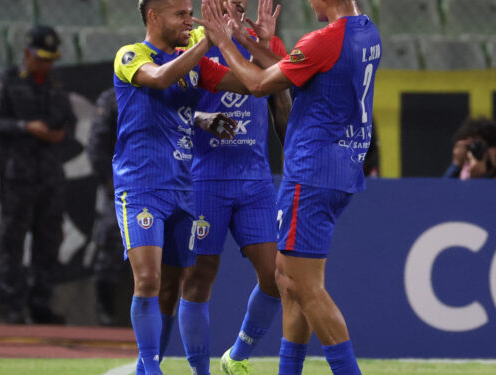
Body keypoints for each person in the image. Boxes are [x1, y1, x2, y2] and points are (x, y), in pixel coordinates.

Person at [197, 0, 380, 373]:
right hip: (342, 167)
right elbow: (299, 66)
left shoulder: (324, 40)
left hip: (311, 172)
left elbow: (258, 83)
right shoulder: (367, 31)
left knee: (305, 286)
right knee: (287, 279)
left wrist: (223, 41)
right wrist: (248, 41)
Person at [112, 1, 252, 373]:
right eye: (181, 14)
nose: (189, 20)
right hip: (140, 186)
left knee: (172, 290)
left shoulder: (193, 62)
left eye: (191, 13)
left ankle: (147, 368)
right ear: (153, 16)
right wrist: (207, 41)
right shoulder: (131, 55)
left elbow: (249, 83)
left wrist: (239, 41)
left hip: (181, 189)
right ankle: (152, 369)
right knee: (148, 279)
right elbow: (158, 80)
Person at [177, 1, 290, 375]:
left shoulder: (264, 43)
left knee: (278, 278)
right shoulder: (193, 41)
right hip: (205, 178)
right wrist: (204, 118)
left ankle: (237, 355)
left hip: (255, 180)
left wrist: (295, 159)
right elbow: (169, 106)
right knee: (199, 277)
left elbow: (281, 106)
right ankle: (199, 371)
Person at [0, 25, 76, 325]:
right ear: (27, 53)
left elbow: (68, 123)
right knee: (12, 240)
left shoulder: (56, 86)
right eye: (41, 58)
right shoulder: (8, 82)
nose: (47, 64)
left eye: (51, 59)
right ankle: (13, 306)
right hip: (17, 175)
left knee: (48, 240)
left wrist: (57, 133)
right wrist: (26, 128)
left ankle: (40, 304)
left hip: (49, 174)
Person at [87, 88, 128, 326]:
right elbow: (96, 146)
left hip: (159, 182)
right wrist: (112, 182)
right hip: (120, 187)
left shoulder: (166, 87)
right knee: (110, 243)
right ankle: (106, 313)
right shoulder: (113, 97)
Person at [442, 117, 496, 181]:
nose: (482, 152)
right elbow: (440, 198)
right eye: (475, 147)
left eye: (484, 146)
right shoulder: (464, 174)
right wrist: (456, 165)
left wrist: (480, 177)